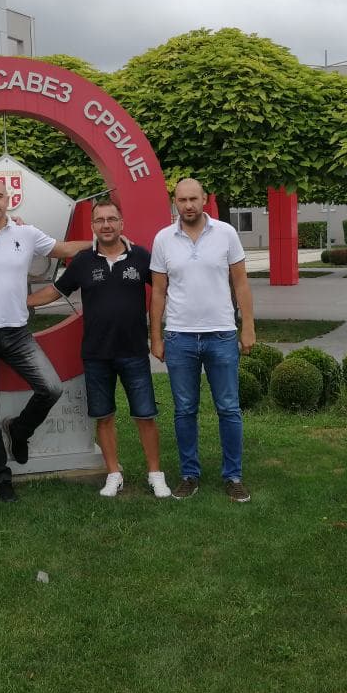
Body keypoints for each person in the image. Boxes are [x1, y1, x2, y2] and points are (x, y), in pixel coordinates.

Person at [0, 177, 91, 502]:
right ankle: (1, 479)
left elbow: (64, 249)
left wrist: (103, 241)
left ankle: (19, 429)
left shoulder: (26, 234)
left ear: (8, 199)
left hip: (16, 332)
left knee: (51, 388)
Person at [27, 199, 171, 499]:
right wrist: (20, 302)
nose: (106, 225)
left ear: (121, 223)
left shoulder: (141, 257)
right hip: (96, 355)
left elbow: (163, 289)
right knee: (103, 416)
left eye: (112, 219)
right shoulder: (83, 261)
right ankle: (113, 474)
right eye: (100, 220)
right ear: (93, 226)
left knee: (145, 415)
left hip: (133, 352)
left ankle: (155, 474)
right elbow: (55, 291)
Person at [149, 178, 256, 502]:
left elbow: (241, 283)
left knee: (229, 408)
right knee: (184, 410)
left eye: (193, 199)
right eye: (182, 200)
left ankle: (233, 476)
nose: (188, 205)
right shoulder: (163, 239)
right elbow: (158, 291)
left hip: (221, 334)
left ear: (205, 199)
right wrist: (156, 336)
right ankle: (189, 475)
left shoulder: (226, 233)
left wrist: (247, 326)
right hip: (179, 336)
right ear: (175, 201)